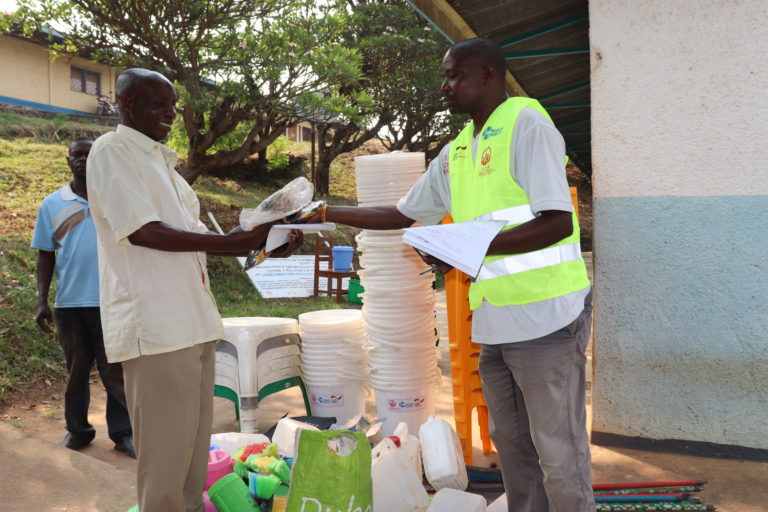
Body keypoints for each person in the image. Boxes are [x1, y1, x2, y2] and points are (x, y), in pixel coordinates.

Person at [311, 38, 594, 512]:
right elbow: (403, 213)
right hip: (495, 322)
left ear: (487, 74)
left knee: (558, 452)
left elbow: (557, 221)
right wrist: (323, 212)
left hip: (546, 318)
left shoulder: (526, 123)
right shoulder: (458, 150)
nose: (444, 87)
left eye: (454, 75)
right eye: (444, 77)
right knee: (514, 451)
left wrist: (466, 247)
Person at [85, 68, 301, 512]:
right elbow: (144, 232)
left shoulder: (167, 169)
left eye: (172, 105)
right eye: (157, 103)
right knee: (165, 462)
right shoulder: (113, 151)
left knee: (190, 461)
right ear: (126, 103)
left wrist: (263, 247)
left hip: (195, 325)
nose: (170, 112)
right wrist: (230, 243)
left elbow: (197, 245)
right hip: (157, 329)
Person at [32, 137, 135, 458]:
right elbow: (45, 255)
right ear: (68, 161)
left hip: (112, 303)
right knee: (76, 372)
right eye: (76, 154)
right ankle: (78, 431)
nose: (82, 159)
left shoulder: (115, 201)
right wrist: (42, 301)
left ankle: (123, 433)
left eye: (88, 155)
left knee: (114, 372)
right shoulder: (52, 203)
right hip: (70, 305)